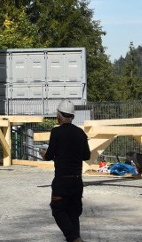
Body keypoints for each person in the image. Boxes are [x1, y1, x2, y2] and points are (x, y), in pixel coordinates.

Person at [43, 99, 91, 242]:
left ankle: (75, 238)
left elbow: (49, 155)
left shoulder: (56, 132)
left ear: (59, 116)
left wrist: (45, 154)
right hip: (77, 180)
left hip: (61, 181)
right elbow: (86, 155)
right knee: (73, 214)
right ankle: (75, 238)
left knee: (58, 210)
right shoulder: (80, 133)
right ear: (72, 116)